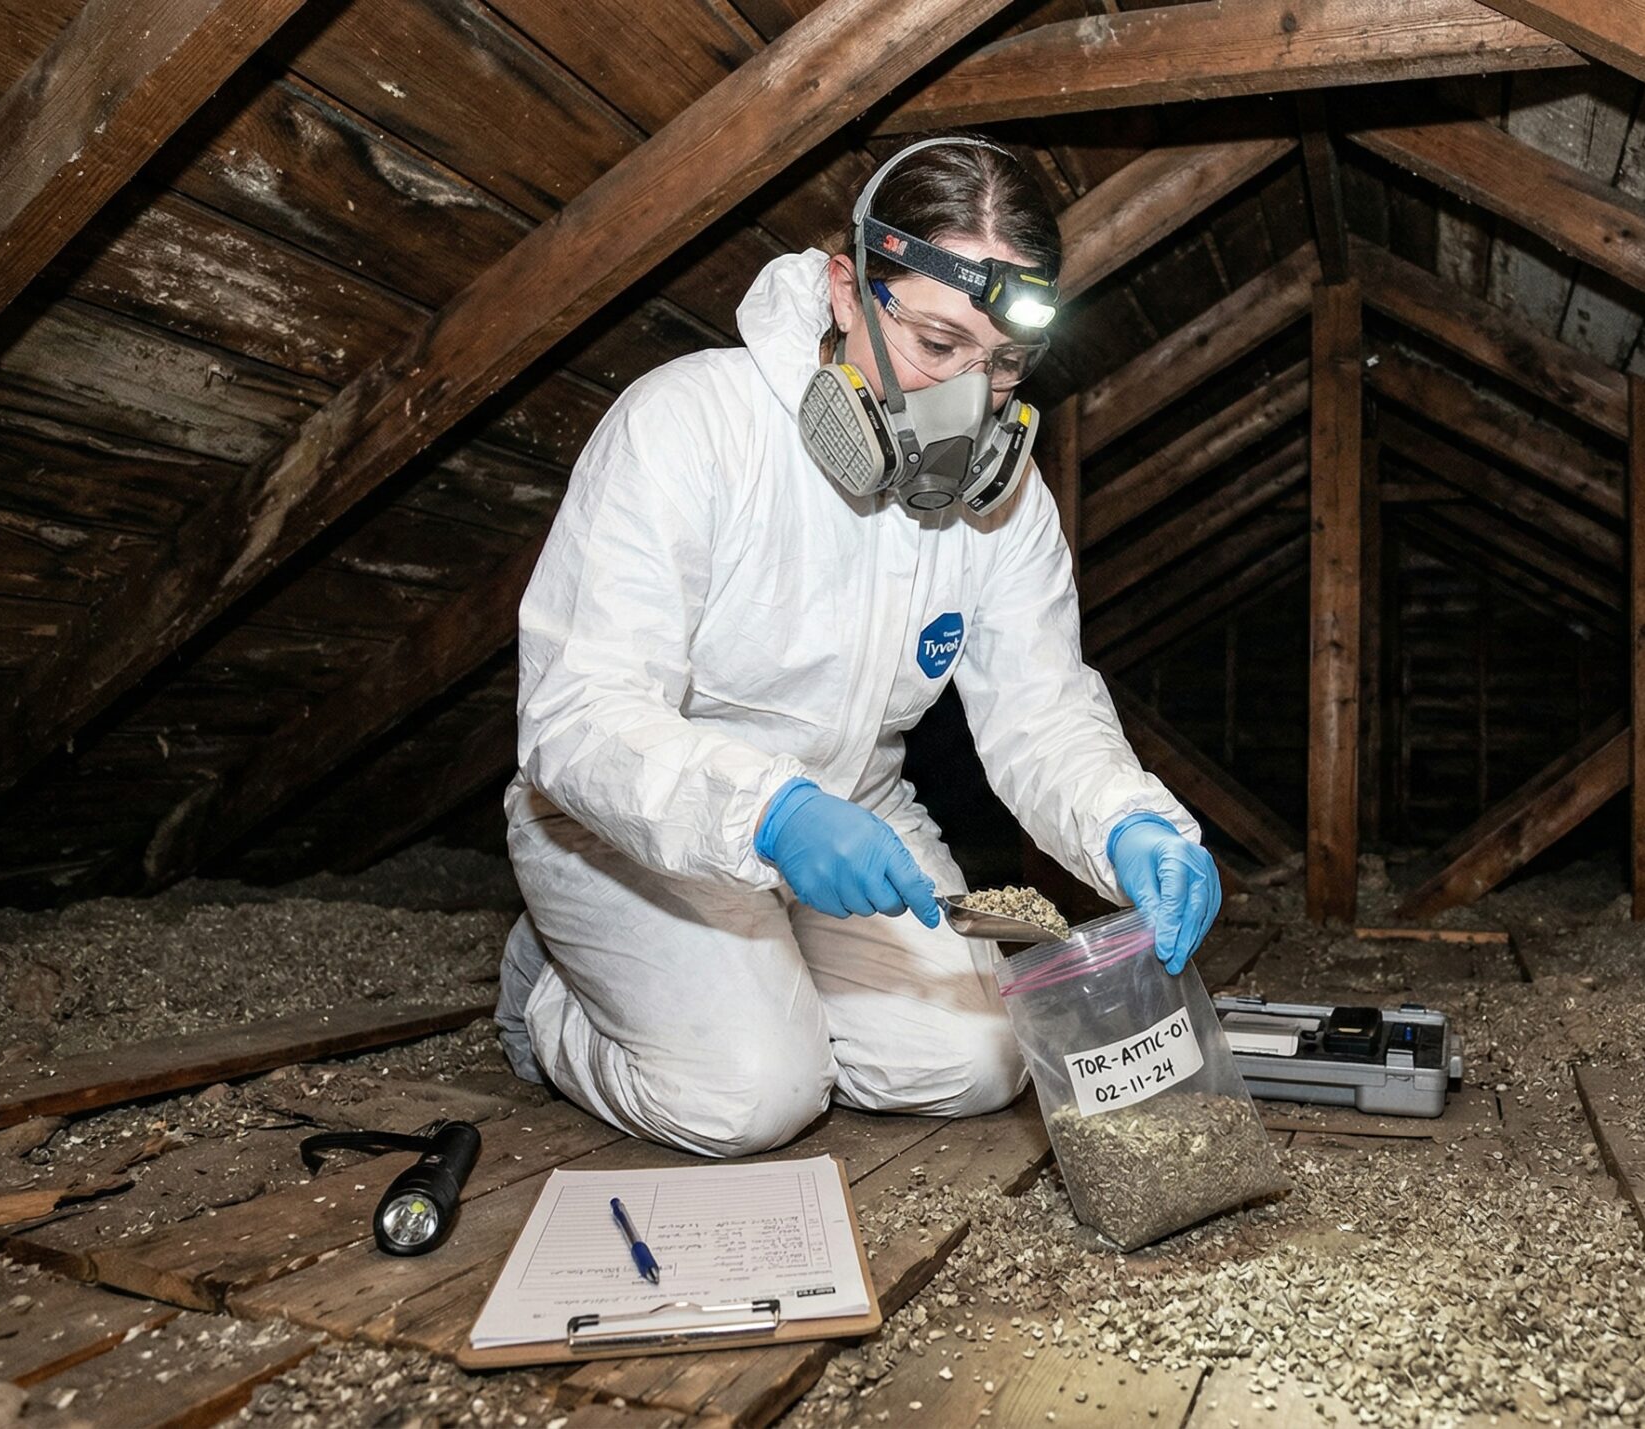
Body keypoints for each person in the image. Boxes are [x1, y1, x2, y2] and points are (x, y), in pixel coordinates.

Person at [494, 136, 1224, 1158]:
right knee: (749, 1098)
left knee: (976, 1065)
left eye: (1003, 363)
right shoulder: (688, 425)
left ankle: (760, 977)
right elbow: (578, 716)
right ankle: (550, 1000)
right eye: (935, 343)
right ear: (846, 289)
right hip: (624, 824)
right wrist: (769, 815)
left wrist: (1128, 824)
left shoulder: (1002, 502)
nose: (968, 401)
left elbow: (1039, 702)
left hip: (852, 817)